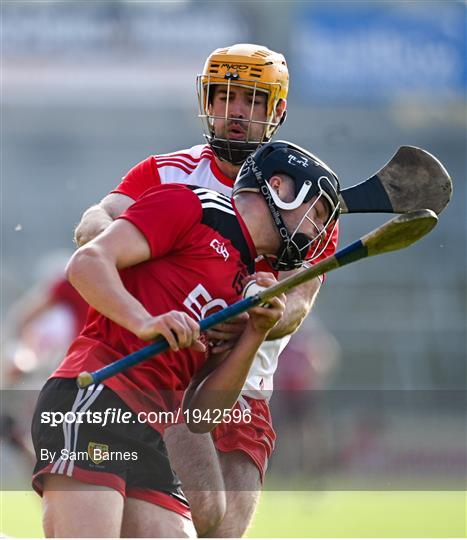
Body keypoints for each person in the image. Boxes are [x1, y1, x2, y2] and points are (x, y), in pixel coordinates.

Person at [74, 44, 340, 537]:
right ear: (207, 101)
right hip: (167, 370)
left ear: (276, 111)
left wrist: (256, 315)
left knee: (220, 531)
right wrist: (105, 236)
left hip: (245, 387)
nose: (235, 111)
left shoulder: (305, 203)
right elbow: (97, 221)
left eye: (252, 100)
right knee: (192, 519)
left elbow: (296, 307)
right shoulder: (165, 173)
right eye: (224, 97)